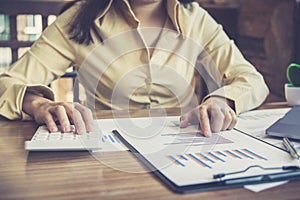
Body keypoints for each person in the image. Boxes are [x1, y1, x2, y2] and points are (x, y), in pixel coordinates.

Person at [0, 0, 269, 137]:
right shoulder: (79, 20)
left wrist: (223, 99)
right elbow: (8, 81)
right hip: (108, 151)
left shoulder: (195, 17)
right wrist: (38, 105)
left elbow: (251, 79)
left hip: (187, 144)